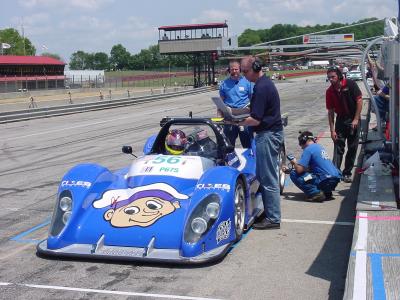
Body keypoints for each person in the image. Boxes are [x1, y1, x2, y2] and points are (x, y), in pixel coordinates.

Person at [236, 56, 284, 229]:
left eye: (245, 71)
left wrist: (235, 122)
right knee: (263, 175)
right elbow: (254, 109)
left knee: (268, 177)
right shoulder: (262, 85)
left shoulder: (262, 87)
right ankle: (270, 211)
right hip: (269, 134)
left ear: (256, 68)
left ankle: (273, 218)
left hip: (268, 135)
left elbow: (255, 119)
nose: (243, 74)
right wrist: (234, 112)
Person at [326, 66, 362, 183]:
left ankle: (347, 172)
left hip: (353, 118)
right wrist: (332, 130)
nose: (331, 79)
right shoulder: (329, 92)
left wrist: (356, 119)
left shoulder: (350, 84)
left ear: (339, 76)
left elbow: (359, 101)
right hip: (341, 120)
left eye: (333, 77)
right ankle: (335, 172)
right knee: (338, 147)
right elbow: (331, 112)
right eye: (329, 77)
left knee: (352, 147)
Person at [283, 131, 342, 202]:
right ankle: (327, 192)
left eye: (300, 144)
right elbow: (311, 168)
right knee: (308, 172)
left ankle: (315, 193)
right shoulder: (319, 147)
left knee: (294, 174)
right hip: (334, 180)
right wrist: (289, 170)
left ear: (303, 140)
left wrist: (294, 162)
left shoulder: (308, 149)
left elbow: (299, 170)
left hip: (325, 180)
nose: (301, 147)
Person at [219, 60, 253, 148]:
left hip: (244, 117)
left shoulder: (247, 82)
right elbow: (221, 102)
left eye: (236, 69)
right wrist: (219, 117)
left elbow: (253, 99)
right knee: (228, 145)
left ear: (240, 69)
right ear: (229, 70)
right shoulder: (224, 84)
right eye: (232, 69)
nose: (234, 71)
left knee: (248, 144)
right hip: (229, 117)